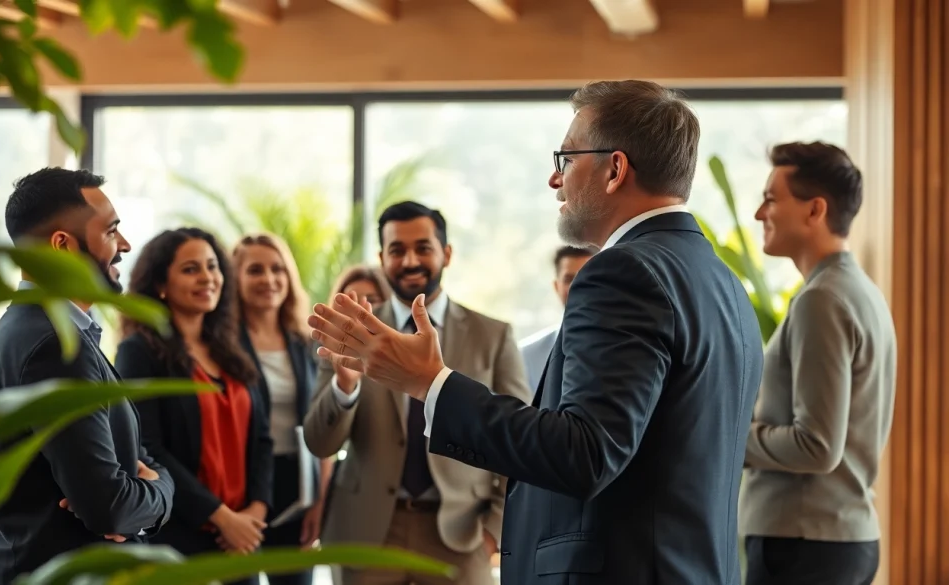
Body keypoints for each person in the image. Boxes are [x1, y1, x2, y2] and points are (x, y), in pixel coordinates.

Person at [306, 80, 764, 585]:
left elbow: (586, 452)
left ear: (615, 169)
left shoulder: (622, 273)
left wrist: (429, 383)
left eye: (565, 159)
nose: (553, 179)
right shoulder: (724, 282)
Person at [303, 201, 531, 585]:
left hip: (461, 537)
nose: (410, 260)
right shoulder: (352, 333)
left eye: (423, 248)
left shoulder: (493, 336)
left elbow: (519, 441)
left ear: (446, 253)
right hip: (368, 532)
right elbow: (320, 442)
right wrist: (345, 385)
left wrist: (495, 530)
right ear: (381, 258)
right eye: (396, 250)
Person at [0, 167, 175, 585]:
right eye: (111, 231)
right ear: (63, 245)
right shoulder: (54, 345)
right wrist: (162, 491)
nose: (125, 245)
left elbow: (130, 463)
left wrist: (143, 483)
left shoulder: (22, 328)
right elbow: (110, 507)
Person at [740, 142, 895, 585]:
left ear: (815, 211)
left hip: (804, 545)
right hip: (831, 540)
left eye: (771, 198)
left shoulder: (822, 300)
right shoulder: (858, 290)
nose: (758, 213)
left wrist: (725, 436)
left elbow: (817, 445)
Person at [114, 228, 272, 585]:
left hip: (242, 539)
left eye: (213, 266)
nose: (207, 278)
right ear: (160, 284)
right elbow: (148, 448)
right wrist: (223, 518)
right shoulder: (138, 352)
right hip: (179, 539)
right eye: (190, 269)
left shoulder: (233, 350)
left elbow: (262, 439)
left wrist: (253, 515)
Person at [232, 233, 323, 585]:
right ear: (235, 278)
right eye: (255, 270)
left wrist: (318, 501)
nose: (269, 280)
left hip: (297, 485)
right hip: (242, 485)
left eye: (277, 269)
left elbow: (321, 425)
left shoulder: (304, 342)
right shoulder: (222, 344)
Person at [518, 244, 594, 391]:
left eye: (587, 277)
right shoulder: (525, 357)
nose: (577, 285)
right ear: (556, 286)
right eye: (569, 279)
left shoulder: (627, 347)